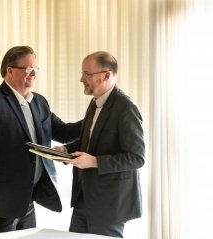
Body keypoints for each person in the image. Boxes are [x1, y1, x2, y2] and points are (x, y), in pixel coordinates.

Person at [0, 46, 80, 234]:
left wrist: (95, 118)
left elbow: (64, 132)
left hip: (29, 199)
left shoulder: (39, 102)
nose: (33, 73)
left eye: (35, 69)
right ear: (9, 71)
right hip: (1, 202)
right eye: (27, 69)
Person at [59, 51, 145, 238]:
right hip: (84, 198)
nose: (82, 79)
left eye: (87, 74)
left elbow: (137, 158)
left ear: (106, 75)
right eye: (82, 73)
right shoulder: (95, 103)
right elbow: (91, 140)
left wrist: (95, 162)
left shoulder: (125, 108)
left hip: (109, 204)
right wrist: (66, 150)